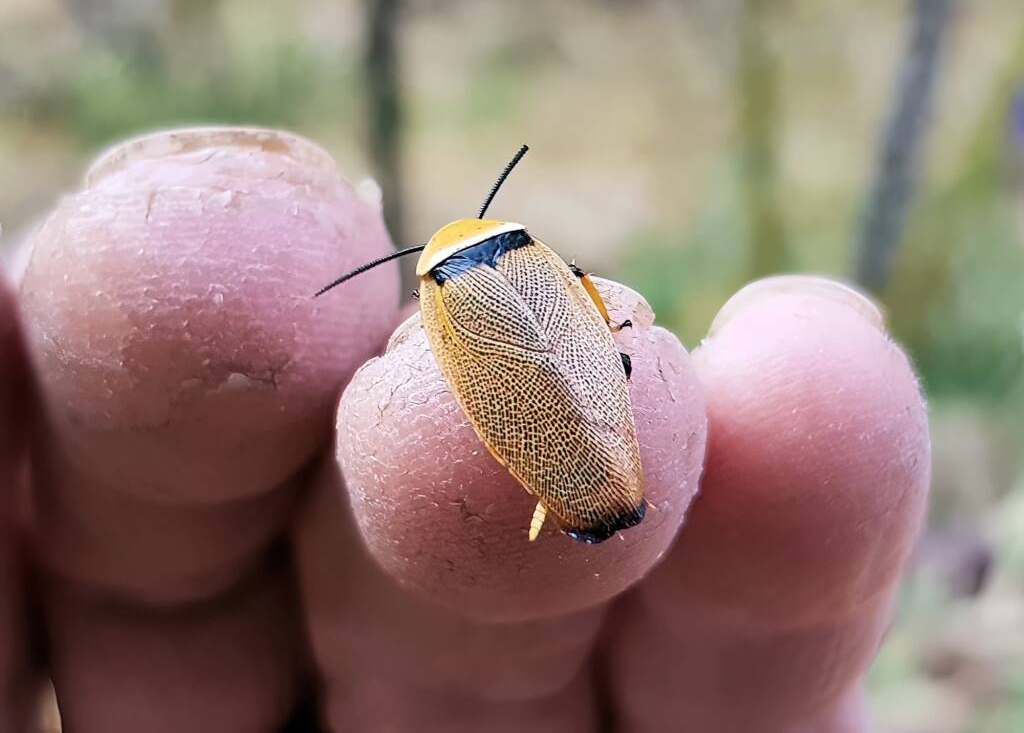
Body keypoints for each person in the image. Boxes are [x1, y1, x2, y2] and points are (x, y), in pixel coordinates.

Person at [0, 128, 929, 733]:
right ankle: (593, 494)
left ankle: (587, 496)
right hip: (577, 387)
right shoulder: (532, 258)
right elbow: (568, 311)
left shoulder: (444, 300)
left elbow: (480, 376)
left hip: (536, 401)